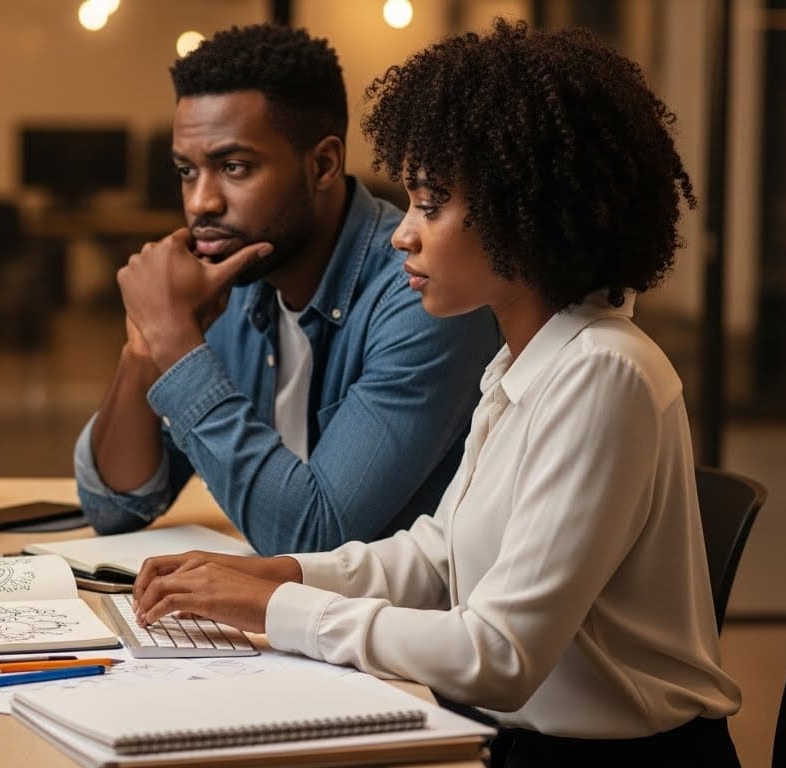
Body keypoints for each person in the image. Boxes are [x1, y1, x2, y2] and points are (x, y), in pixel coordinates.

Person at [132, 20, 742, 766]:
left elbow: (499, 654)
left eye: (431, 203)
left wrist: (277, 607)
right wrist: (283, 572)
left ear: (527, 210)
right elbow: (437, 557)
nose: (401, 235)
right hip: (504, 737)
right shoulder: (523, 362)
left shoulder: (602, 372)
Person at [74, 24, 499, 555]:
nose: (201, 201)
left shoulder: (423, 296)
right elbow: (114, 508)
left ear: (322, 164)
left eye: (233, 167)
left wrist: (174, 340)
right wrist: (144, 348)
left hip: (400, 628)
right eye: (187, 171)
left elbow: (313, 537)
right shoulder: (232, 286)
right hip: (297, 624)